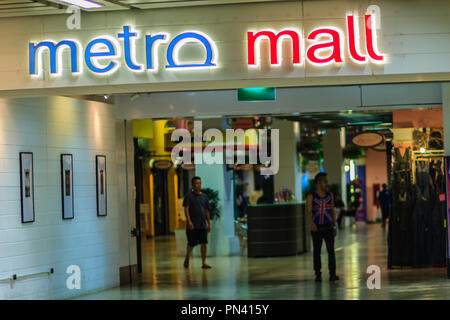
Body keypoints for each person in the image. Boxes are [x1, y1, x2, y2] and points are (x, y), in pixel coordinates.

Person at [306, 172, 339, 282]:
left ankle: (332, 273)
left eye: (327, 182)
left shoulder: (330, 195)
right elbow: (309, 212)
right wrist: (312, 224)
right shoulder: (311, 196)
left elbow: (332, 210)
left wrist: (334, 226)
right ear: (318, 182)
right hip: (317, 228)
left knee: (331, 251)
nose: (326, 184)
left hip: (328, 227)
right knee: (317, 251)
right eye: (324, 182)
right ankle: (318, 274)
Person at [183, 176, 212, 269]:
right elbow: (186, 209)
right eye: (196, 183)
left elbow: (207, 210)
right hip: (192, 225)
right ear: (192, 185)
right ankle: (187, 257)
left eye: (199, 183)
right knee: (191, 243)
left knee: (204, 243)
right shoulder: (189, 196)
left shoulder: (204, 196)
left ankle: (203, 262)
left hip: (202, 224)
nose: (198, 185)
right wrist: (189, 221)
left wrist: (208, 224)